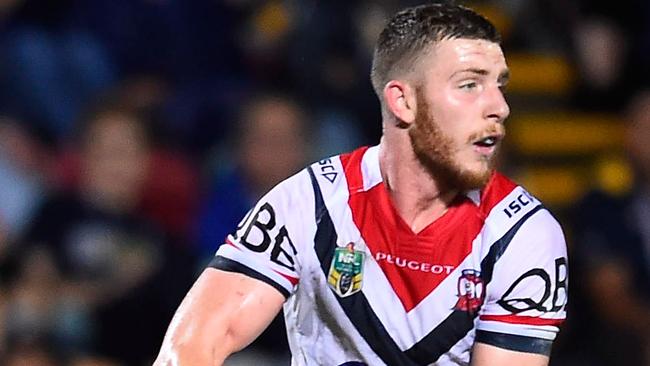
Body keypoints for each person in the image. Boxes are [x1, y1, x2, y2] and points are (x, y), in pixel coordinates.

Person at [154, 3, 568, 365]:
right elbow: (189, 350)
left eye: (500, 84)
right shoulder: (308, 203)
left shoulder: (522, 235)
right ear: (402, 101)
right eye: (469, 84)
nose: (499, 106)